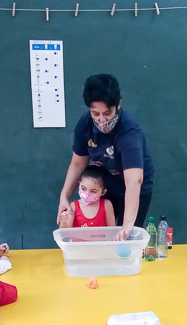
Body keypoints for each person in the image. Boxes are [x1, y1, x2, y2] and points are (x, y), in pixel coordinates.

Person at [57, 73, 154, 241]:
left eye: (107, 113)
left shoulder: (129, 131)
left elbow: (133, 181)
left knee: (126, 236)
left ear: (118, 104)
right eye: (95, 114)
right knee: (101, 233)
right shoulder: (85, 124)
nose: (102, 120)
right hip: (106, 183)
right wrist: (64, 196)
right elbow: (78, 163)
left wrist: (128, 224)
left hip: (134, 186)